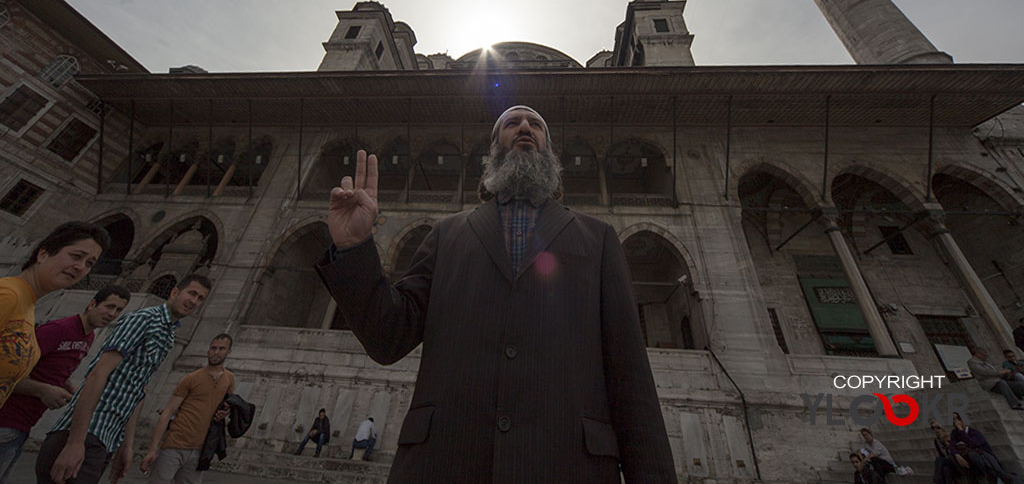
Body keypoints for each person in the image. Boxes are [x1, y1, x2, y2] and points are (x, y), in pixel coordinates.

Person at [316, 105, 676, 482]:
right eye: (512, 123)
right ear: (492, 150)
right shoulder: (446, 235)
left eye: (535, 124)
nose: (524, 128)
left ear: (550, 151)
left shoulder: (597, 238)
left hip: (567, 466)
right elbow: (388, 336)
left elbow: (631, 379)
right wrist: (355, 247)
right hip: (445, 464)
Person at [36, 274, 213, 484]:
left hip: (106, 438)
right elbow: (98, 374)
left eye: (200, 298)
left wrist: (125, 445)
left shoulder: (168, 335)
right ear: (175, 292)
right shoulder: (144, 319)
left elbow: (136, 389)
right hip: (86, 432)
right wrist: (75, 442)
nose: (194, 301)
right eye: (191, 293)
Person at [0, 285, 129, 483]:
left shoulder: (88, 337)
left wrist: (70, 387)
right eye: (109, 306)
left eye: (119, 310)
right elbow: (6, 372)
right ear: (92, 303)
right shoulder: (57, 330)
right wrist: (43, 390)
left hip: (25, 424)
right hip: (7, 418)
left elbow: (52, 368)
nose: (112, 314)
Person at [0, 222, 108, 409]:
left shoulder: (26, 306)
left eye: (89, 263)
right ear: (43, 254)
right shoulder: (9, 294)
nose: (80, 267)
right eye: (76, 256)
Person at [140, 334, 235, 483]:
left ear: (228, 352)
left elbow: (225, 404)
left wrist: (224, 413)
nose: (216, 352)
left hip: (201, 449)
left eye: (221, 349)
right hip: (175, 444)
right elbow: (168, 412)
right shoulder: (191, 378)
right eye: (213, 348)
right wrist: (153, 449)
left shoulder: (229, 379)